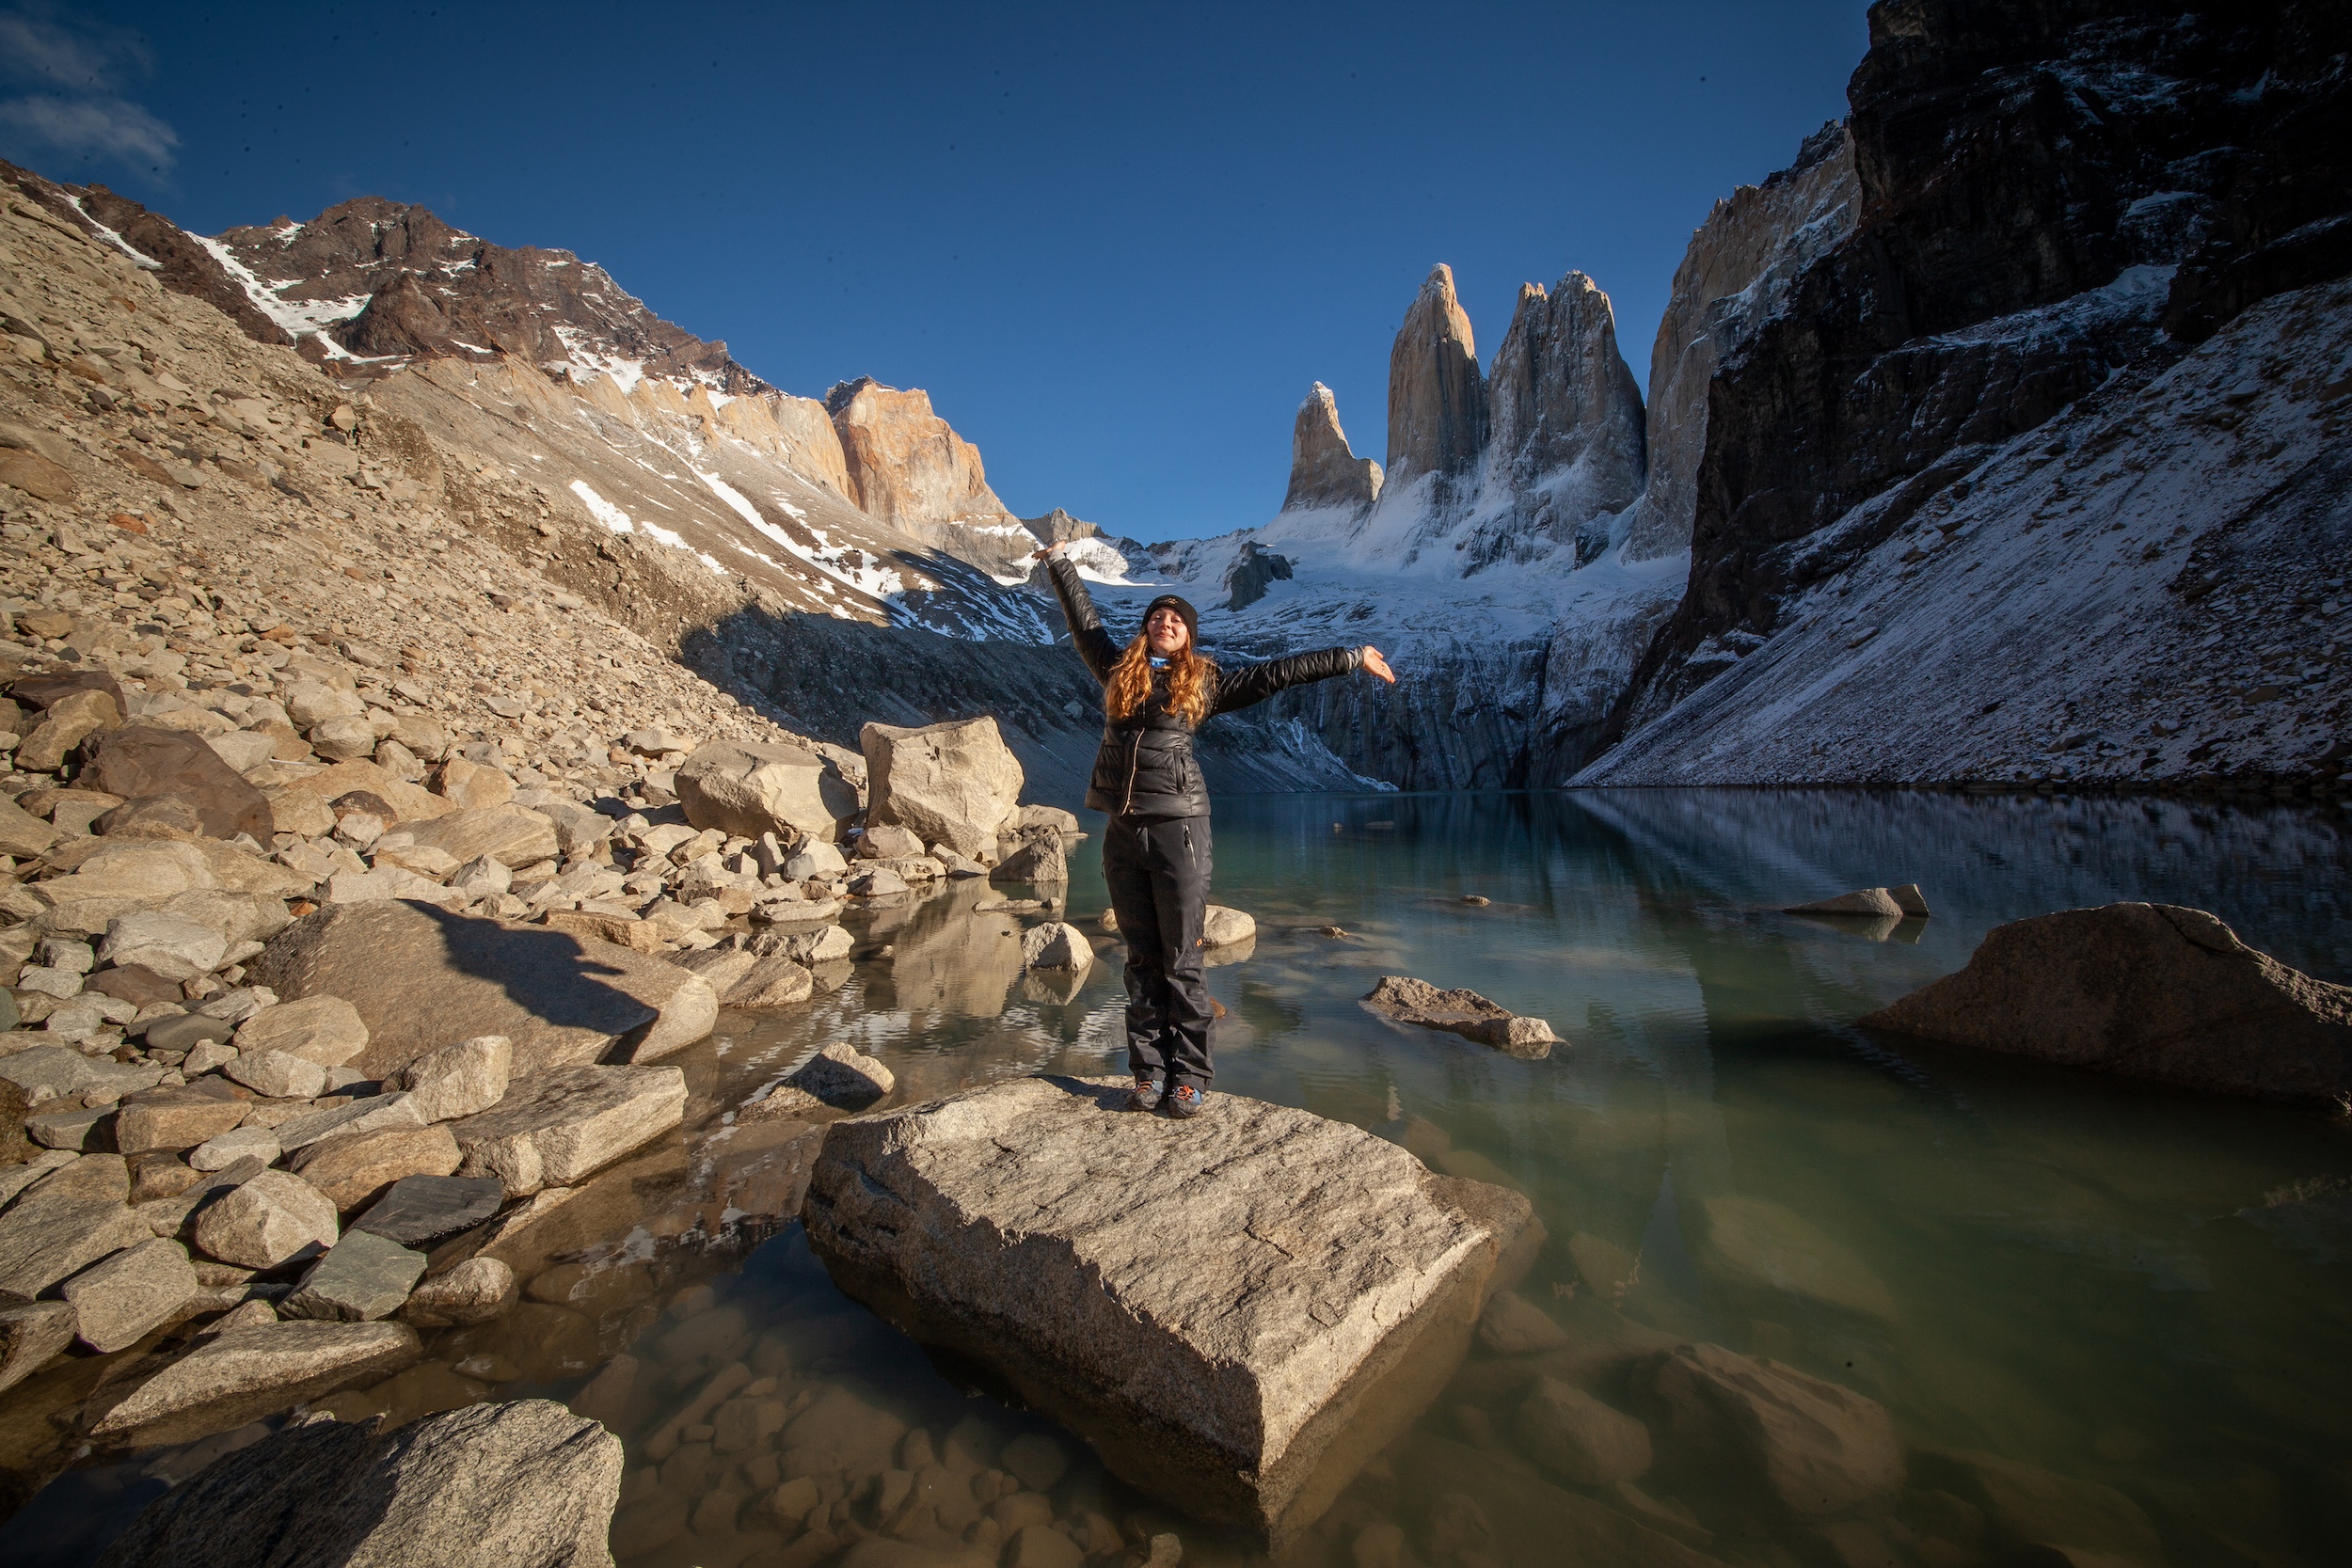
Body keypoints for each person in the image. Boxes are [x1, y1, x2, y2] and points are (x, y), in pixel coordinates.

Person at [1037, 543, 1395, 1118]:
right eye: (1158, 615)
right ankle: (1148, 1074)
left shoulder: (1204, 684)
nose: (1166, 621)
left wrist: (1351, 657)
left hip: (1180, 828)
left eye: (1177, 619)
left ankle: (1190, 1076)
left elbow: (1277, 675)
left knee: (1181, 958)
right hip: (1122, 831)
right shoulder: (1115, 670)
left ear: (1189, 636)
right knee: (1140, 959)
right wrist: (1058, 565)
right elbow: (1084, 622)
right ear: (1146, 627)